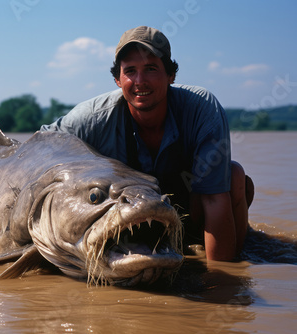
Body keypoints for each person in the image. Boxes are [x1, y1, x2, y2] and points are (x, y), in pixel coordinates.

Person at [40, 26, 254, 261]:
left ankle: (236, 256)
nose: (140, 81)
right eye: (130, 71)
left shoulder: (202, 110)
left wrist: (222, 284)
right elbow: (41, 146)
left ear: (171, 75)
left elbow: (214, 200)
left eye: (151, 69)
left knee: (235, 176)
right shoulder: (92, 118)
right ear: (118, 80)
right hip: (124, 214)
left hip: (186, 211)